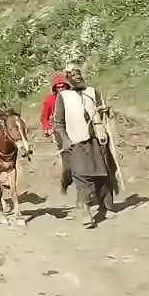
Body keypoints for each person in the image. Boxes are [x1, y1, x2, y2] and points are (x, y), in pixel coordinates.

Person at [54, 69, 114, 227]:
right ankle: (86, 211)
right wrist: (65, 140)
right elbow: (58, 123)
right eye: (73, 76)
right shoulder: (63, 97)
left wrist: (105, 111)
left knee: (103, 173)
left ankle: (107, 206)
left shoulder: (92, 92)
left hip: (97, 139)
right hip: (76, 141)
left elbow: (104, 112)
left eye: (78, 75)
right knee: (80, 175)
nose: (77, 77)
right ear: (68, 79)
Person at [40, 74, 73, 192]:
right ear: (54, 88)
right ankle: (65, 182)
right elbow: (44, 117)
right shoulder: (49, 100)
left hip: (76, 129)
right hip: (60, 131)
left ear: (67, 87)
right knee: (68, 161)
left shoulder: (73, 97)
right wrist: (48, 128)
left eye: (62, 86)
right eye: (58, 87)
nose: (60, 89)